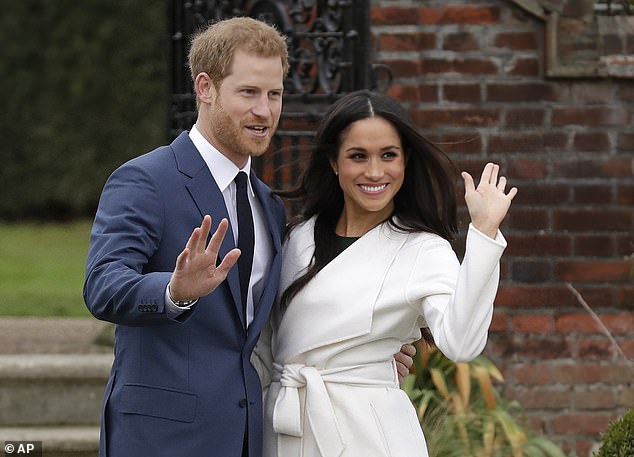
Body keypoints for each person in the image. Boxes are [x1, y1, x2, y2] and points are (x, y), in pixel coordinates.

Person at [84, 17, 414, 457]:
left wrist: (359, 353)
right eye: (248, 93)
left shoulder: (268, 205)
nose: (265, 111)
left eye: (274, 94)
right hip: (161, 438)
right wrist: (174, 291)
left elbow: (273, 326)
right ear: (205, 88)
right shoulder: (145, 180)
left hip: (248, 437)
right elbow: (101, 286)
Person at [255, 90, 518, 457]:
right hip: (283, 428)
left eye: (388, 155)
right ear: (334, 162)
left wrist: (484, 234)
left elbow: (461, 343)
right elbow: (263, 342)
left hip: (369, 435)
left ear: (405, 161)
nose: (375, 172)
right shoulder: (296, 238)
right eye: (358, 156)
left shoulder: (423, 250)